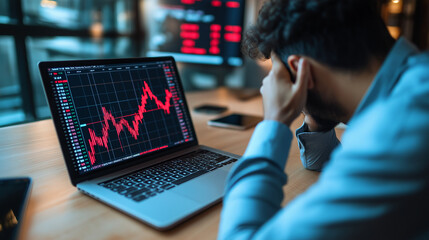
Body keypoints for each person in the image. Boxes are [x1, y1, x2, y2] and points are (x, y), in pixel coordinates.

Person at [218, 0, 429, 239]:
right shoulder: (415, 82)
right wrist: (315, 114)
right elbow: (330, 168)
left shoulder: (395, 132)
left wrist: (273, 121)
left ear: (298, 69)